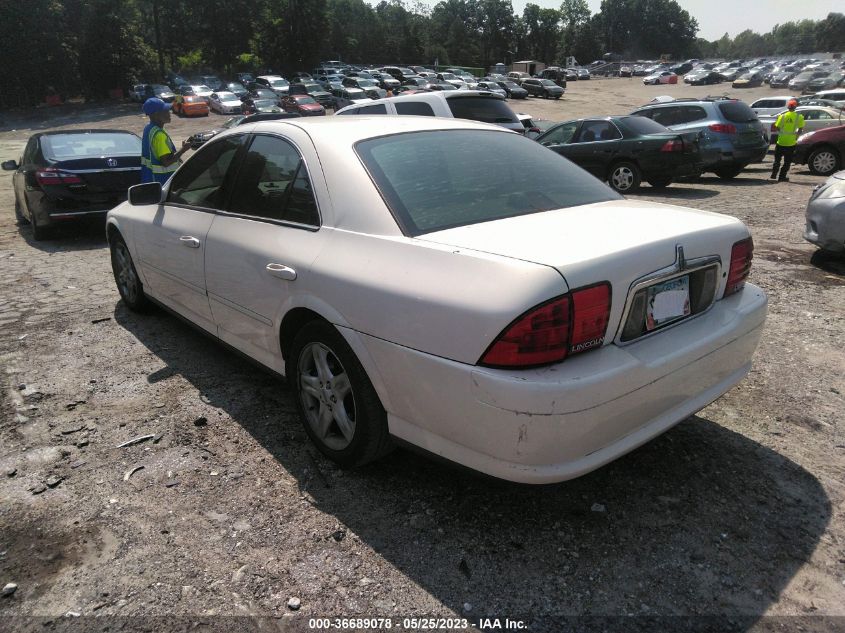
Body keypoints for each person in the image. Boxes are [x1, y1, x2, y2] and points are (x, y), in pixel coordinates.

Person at [140, 97, 191, 184]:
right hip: (163, 181)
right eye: (166, 111)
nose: (170, 113)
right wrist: (183, 150)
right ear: (156, 115)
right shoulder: (159, 135)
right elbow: (166, 162)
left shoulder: (149, 128)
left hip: (150, 180)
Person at [770, 99, 804, 182]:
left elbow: (777, 127)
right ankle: (782, 177)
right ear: (795, 107)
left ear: (788, 107)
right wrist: (796, 137)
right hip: (790, 143)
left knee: (777, 160)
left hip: (780, 142)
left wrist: (782, 132)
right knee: (787, 162)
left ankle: (774, 174)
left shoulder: (782, 116)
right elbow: (800, 129)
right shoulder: (799, 117)